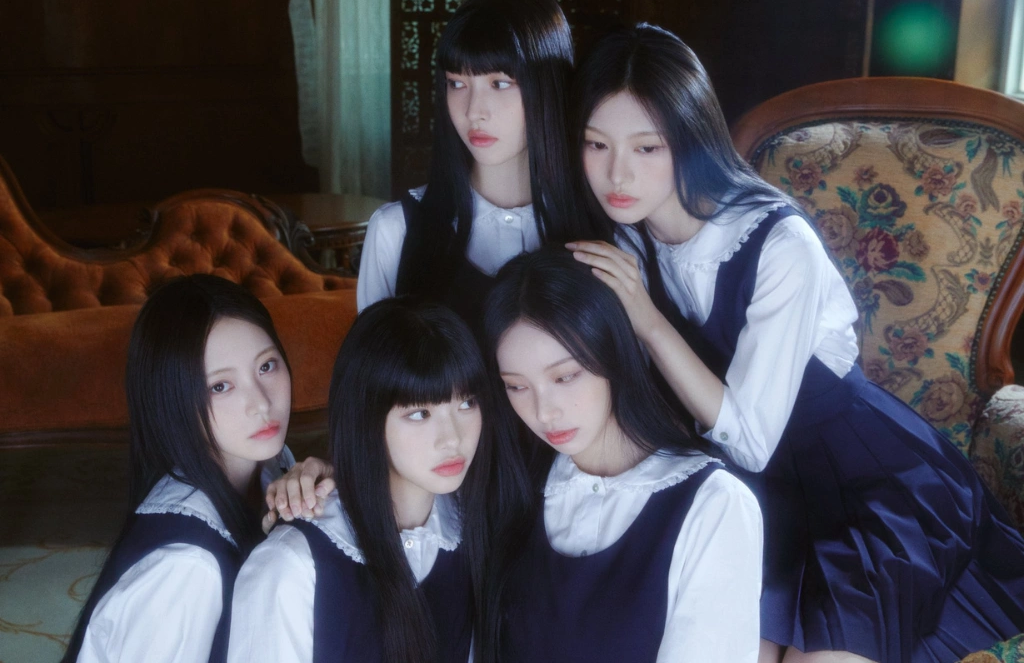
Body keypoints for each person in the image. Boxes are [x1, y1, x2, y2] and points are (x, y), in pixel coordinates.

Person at [567, 23, 1024, 663]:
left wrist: (647, 319)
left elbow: (752, 440)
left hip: (863, 483)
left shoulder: (778, 243)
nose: (618, 173)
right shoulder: (623, 240)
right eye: (596, 144)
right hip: (744, 494)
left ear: (691, 140)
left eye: (648, 147)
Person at [480, 246, 763, 663]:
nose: (544, 411)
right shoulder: (511, 488)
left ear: (613, 352)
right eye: (517, 386)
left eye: (566, 376)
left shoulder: (713, 503)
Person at [228, 298, 514, 663]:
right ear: (367, 417)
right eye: (420, 413)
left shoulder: (472, 528)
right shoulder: (293, 565)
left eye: (467, 403)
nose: (452, 438)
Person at [63, 275, 295, 663]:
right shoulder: (188, 566)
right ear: (174, 401)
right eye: (220, 386)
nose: (260, 403)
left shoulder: (270, 463)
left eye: (267, 366)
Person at [356, 0, 597, 325]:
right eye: (457, 84)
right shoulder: (396, 232)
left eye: (499, 84)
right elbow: (371, 359)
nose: (473, 112)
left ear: (548, 86)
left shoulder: (603, 230)